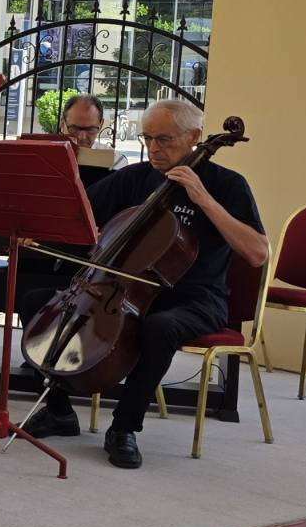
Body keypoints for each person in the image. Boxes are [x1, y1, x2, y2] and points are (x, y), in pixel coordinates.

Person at [18, 98, 267, 469]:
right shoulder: (136, 178)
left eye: (164, 139)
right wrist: (39, 227)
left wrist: (202, 197)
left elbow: (257, 252)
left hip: (195, 298)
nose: (153, 148)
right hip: (124, 291)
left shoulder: (227, 185)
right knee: (37, 302)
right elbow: (80, 211)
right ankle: (59, 412)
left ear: (195, 137)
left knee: (159, 327)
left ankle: (123, 428)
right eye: (147, 138)